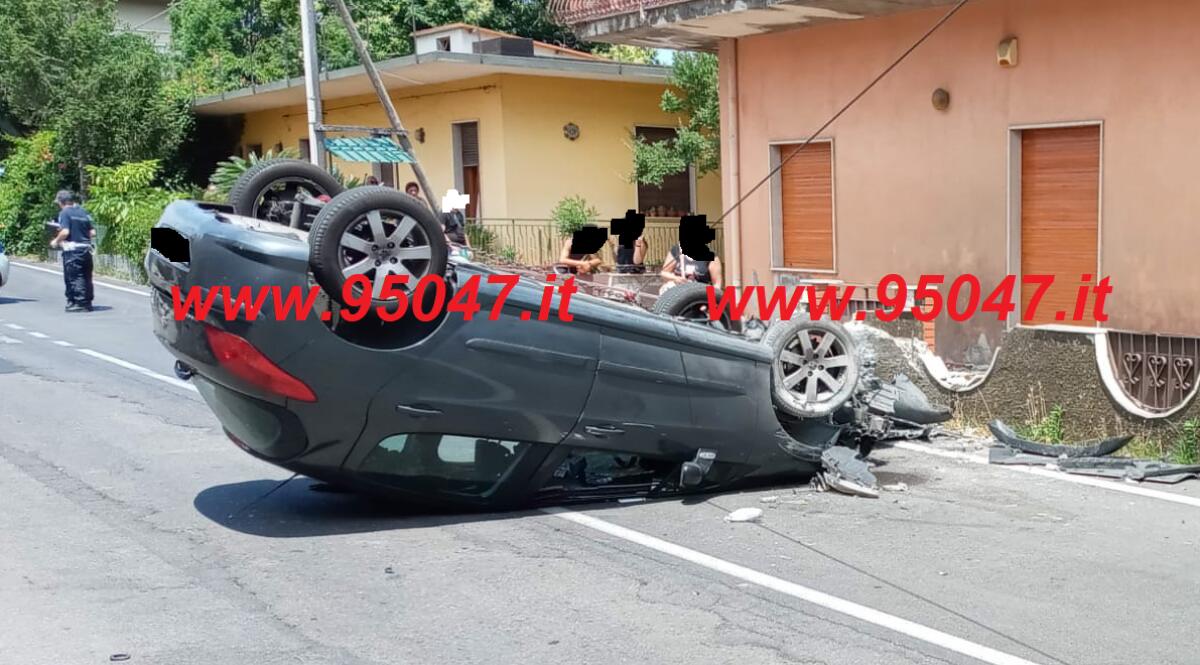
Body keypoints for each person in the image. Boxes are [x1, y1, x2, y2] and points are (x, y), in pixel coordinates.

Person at [50, 190, 96, 312]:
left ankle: (79, 303)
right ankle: (87, 302)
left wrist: (56, 241)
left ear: (62, 202)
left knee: (75, 276)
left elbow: (65, 232)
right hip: (86, 249)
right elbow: (92, 232)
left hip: (73, 250)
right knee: (86, 276)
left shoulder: (65, 212)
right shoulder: (83, 212)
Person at [659, 242, 723, 294]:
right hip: (678, 292)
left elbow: (717, 284)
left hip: (700, 294)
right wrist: (676, 278)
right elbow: (664, 273)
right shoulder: (677, 251)